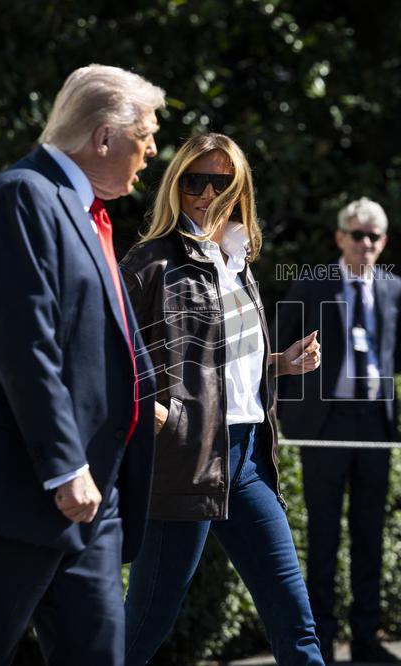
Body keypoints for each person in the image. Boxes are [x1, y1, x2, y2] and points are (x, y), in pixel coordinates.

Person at [0, 65, 165, 664]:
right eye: (144, 137)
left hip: (93, 498)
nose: (150, 154)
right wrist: (64, 466)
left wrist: (146, 401)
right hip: (17, 487)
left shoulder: (80, 207)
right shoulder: (22, 196)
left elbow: (100, 332)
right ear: (103, 138)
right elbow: (25, 342)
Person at [119, 133, 325, 666]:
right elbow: (109, 355)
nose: (206, 192)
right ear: (176, 183)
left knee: (294, 618)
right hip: (183, 460)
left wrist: (281, 362)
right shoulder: (151, 262)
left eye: (220, 181)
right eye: (194, 179)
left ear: (238, 189)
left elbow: (214, 360)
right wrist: (156, 414)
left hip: (250, 457)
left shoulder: (235, 259)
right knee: (143, 627)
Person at [273, 197, 401, 663]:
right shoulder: (312, 285)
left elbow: (400, 354)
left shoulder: (393, 288)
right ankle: (321, 639)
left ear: (383, 241)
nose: (365, 243)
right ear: (339, 238)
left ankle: (366, 638)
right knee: (324, 534)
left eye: (374, 236)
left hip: (374, 423)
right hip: (324, 424)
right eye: (357, 234)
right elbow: (279, 348)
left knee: (370, 533)